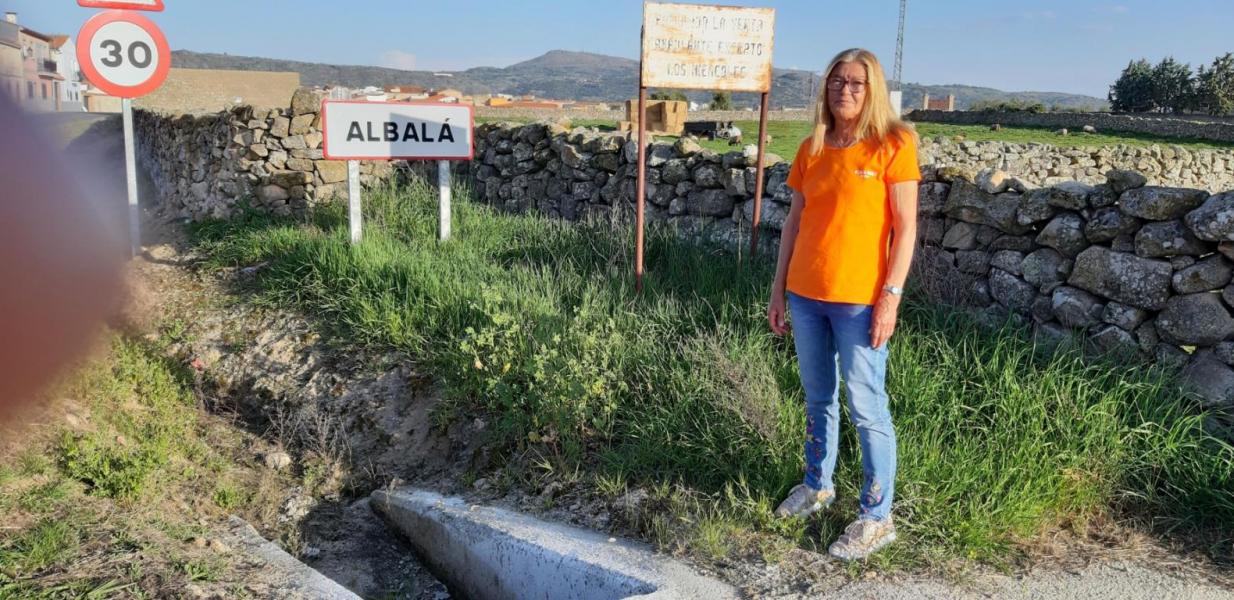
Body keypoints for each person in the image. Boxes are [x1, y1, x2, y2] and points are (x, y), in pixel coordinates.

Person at [766, 48, 920, 561]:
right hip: (806, 295)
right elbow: (794, 223)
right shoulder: (811, 147)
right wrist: (778, 290)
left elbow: (906, 229)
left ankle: (877, 516)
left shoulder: (893, 145)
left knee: (867, 406)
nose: (844, 91)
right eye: (836, 81)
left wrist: (891, 297)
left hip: (861, 302)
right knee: (818, 398)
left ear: (872, 89)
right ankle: (817, 485)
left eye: (856, 83)